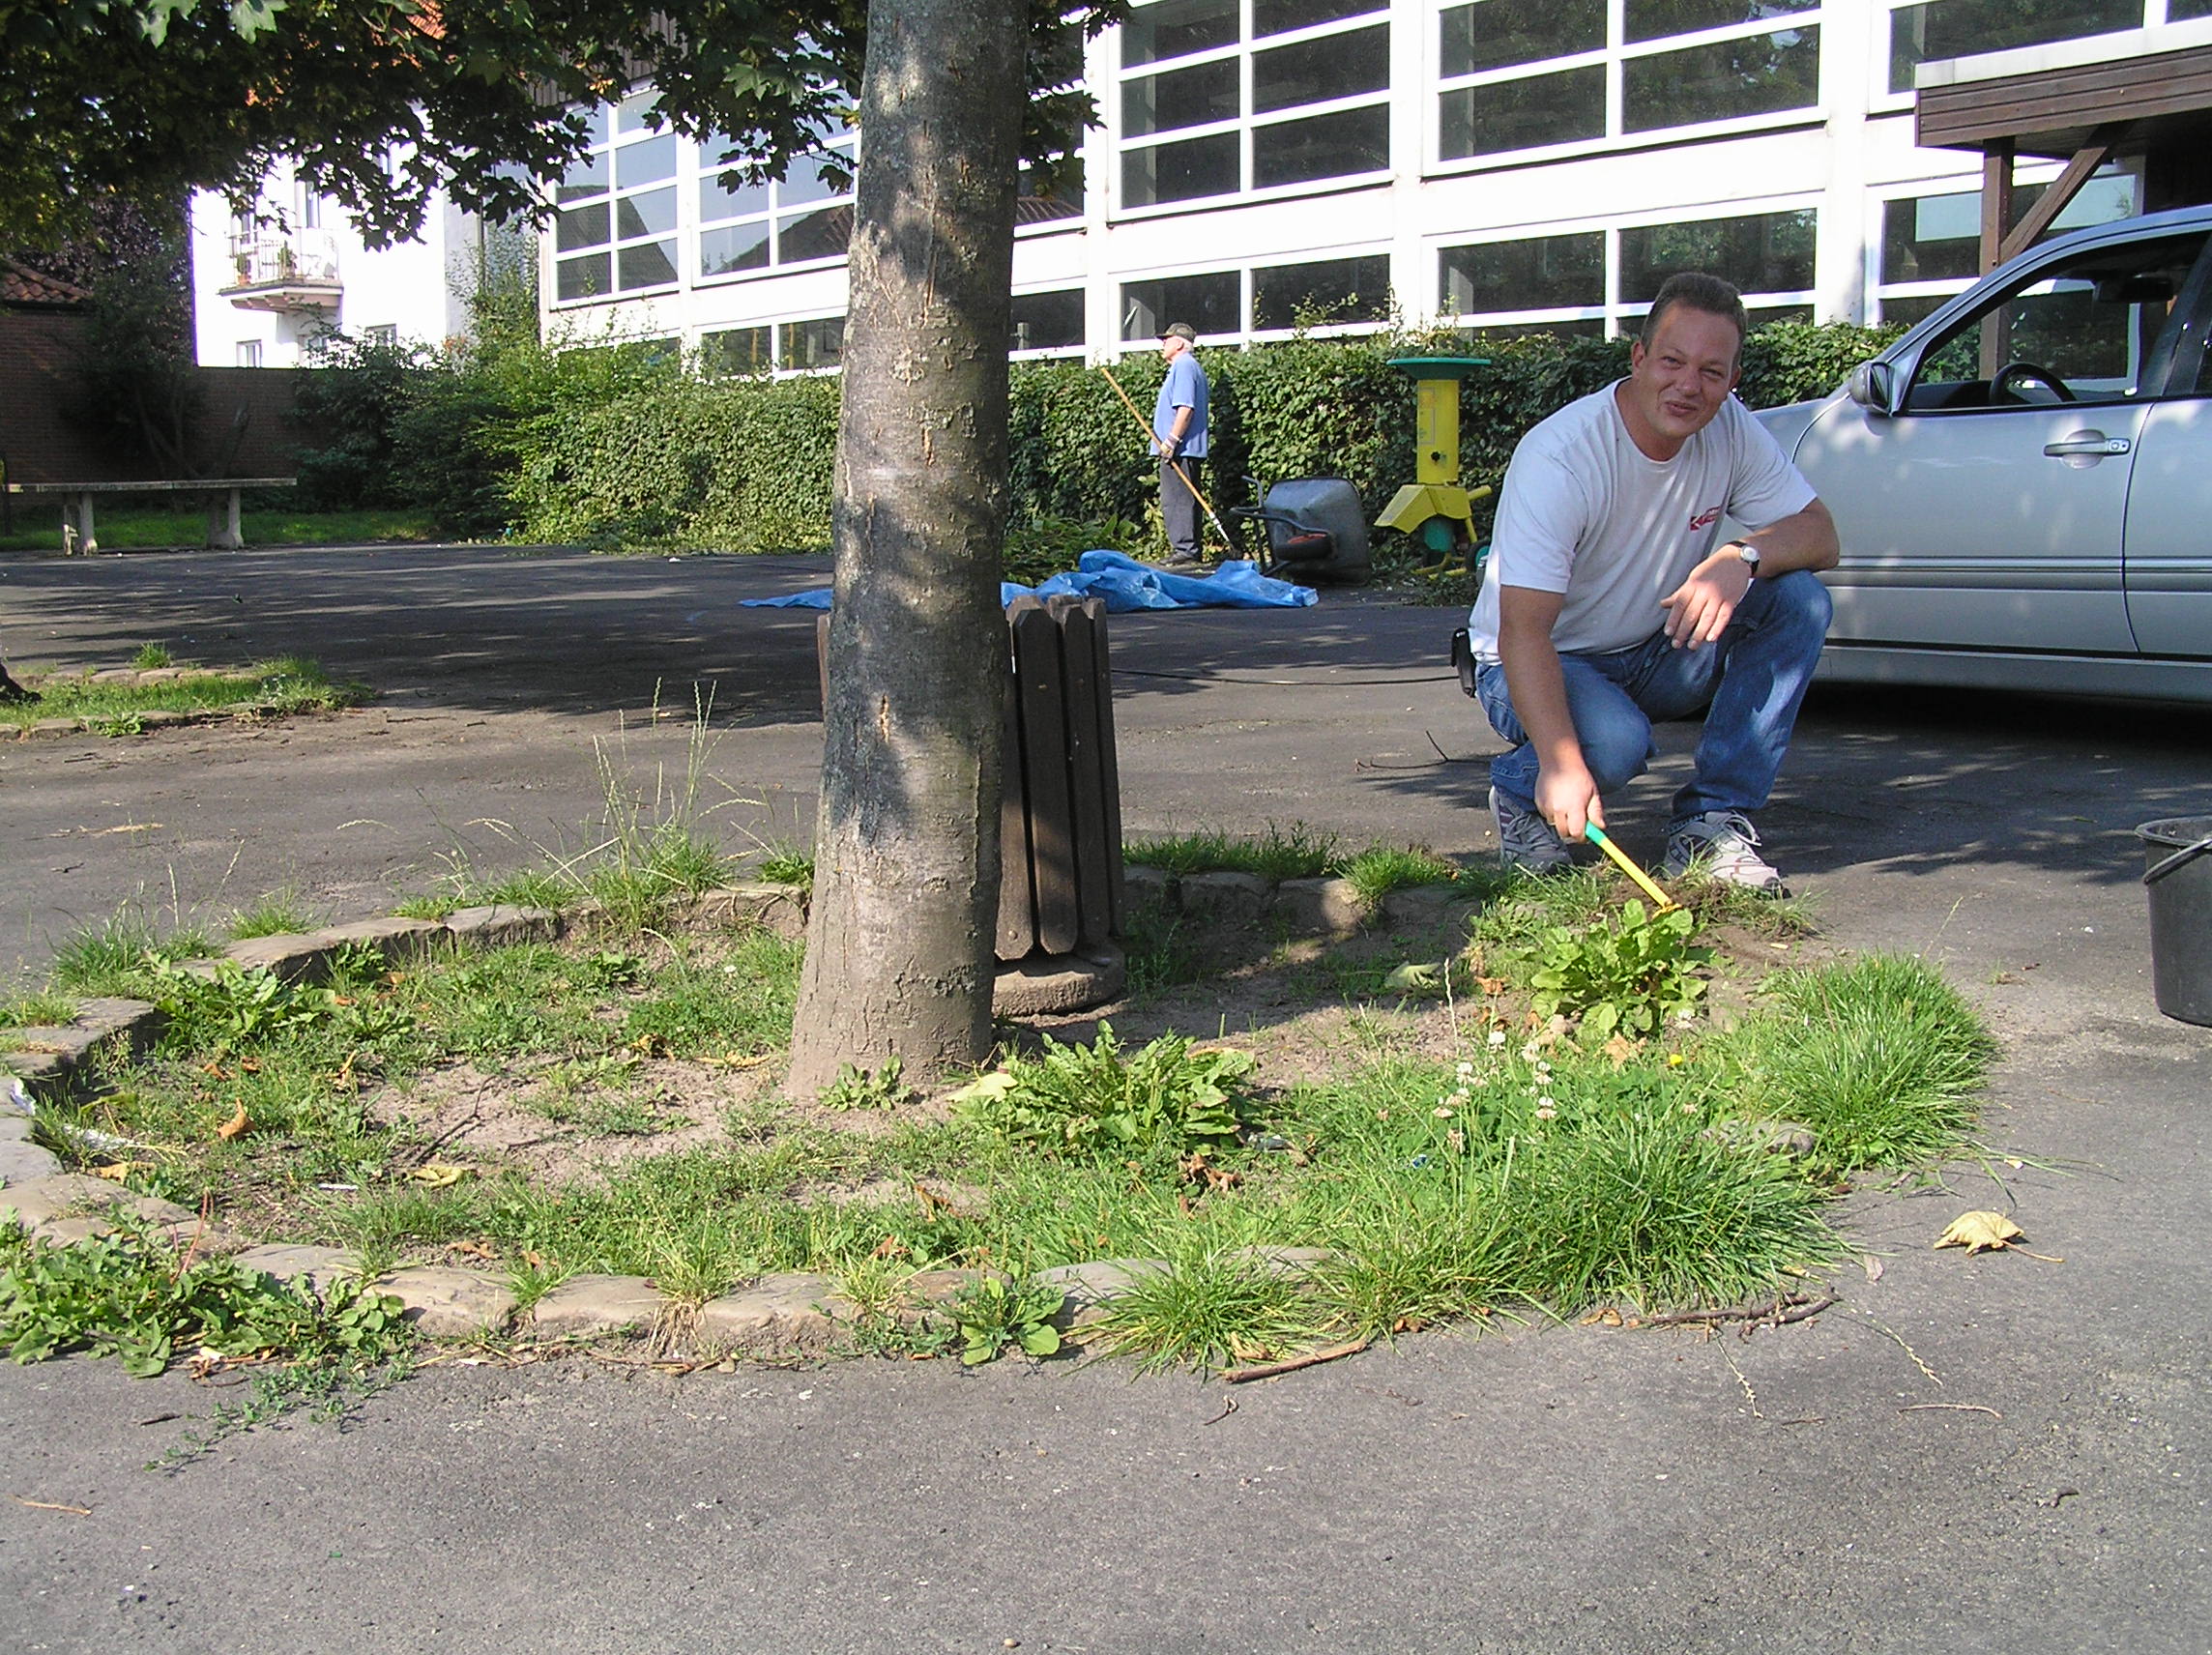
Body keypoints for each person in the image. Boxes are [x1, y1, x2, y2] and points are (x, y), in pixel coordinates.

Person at [1469, 272, 1839, 894]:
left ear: (1733, 380)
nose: (1689, 386)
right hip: (1535, 659)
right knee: (1615, 746)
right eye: (1672, 361)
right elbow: (1523, 634)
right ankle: (1519, 789)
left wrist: (1742, 557)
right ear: (1638, 358)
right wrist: (1561, 763)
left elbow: (1820, 535)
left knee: (1799, 601)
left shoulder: (1731, 429)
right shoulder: (1561, 457)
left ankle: (1711, 822)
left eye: (1711, 372)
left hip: (1653, 648)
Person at [1151, 322, 1209, 567]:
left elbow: (1185, 407)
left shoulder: (1184, 366)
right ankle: (1187, 549)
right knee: (1182, 498)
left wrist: (1171, 441)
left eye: (1166, 340)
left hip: (1180, 448)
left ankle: (1185, 550)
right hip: (1181, 448)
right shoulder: (1185, 367)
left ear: (1179, 343)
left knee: (1177, 499)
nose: (1163, 344)